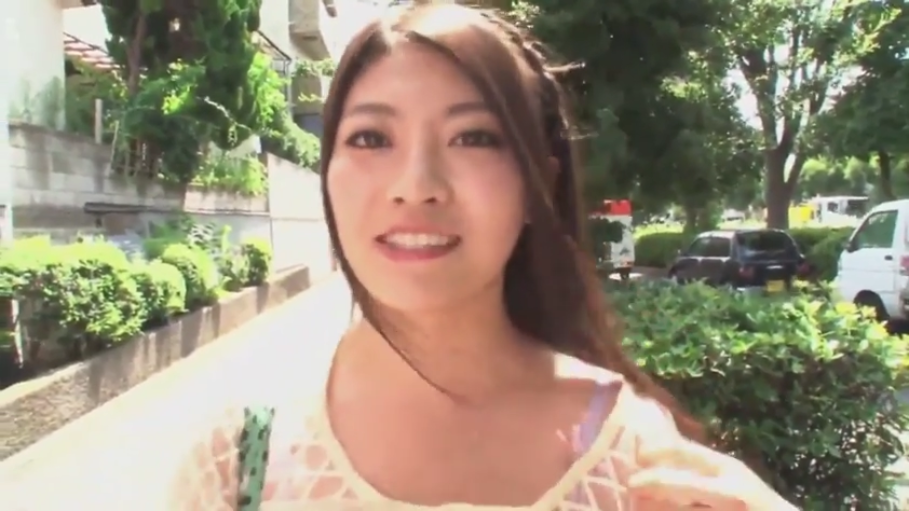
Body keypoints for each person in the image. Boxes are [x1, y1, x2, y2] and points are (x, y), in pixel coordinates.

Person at [169, 5, 798, 510]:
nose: (416, 185)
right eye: (371, 138)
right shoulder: (240, 461)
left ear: (538, 184)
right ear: (327, 173)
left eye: (473, 138)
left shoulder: (633, 455)